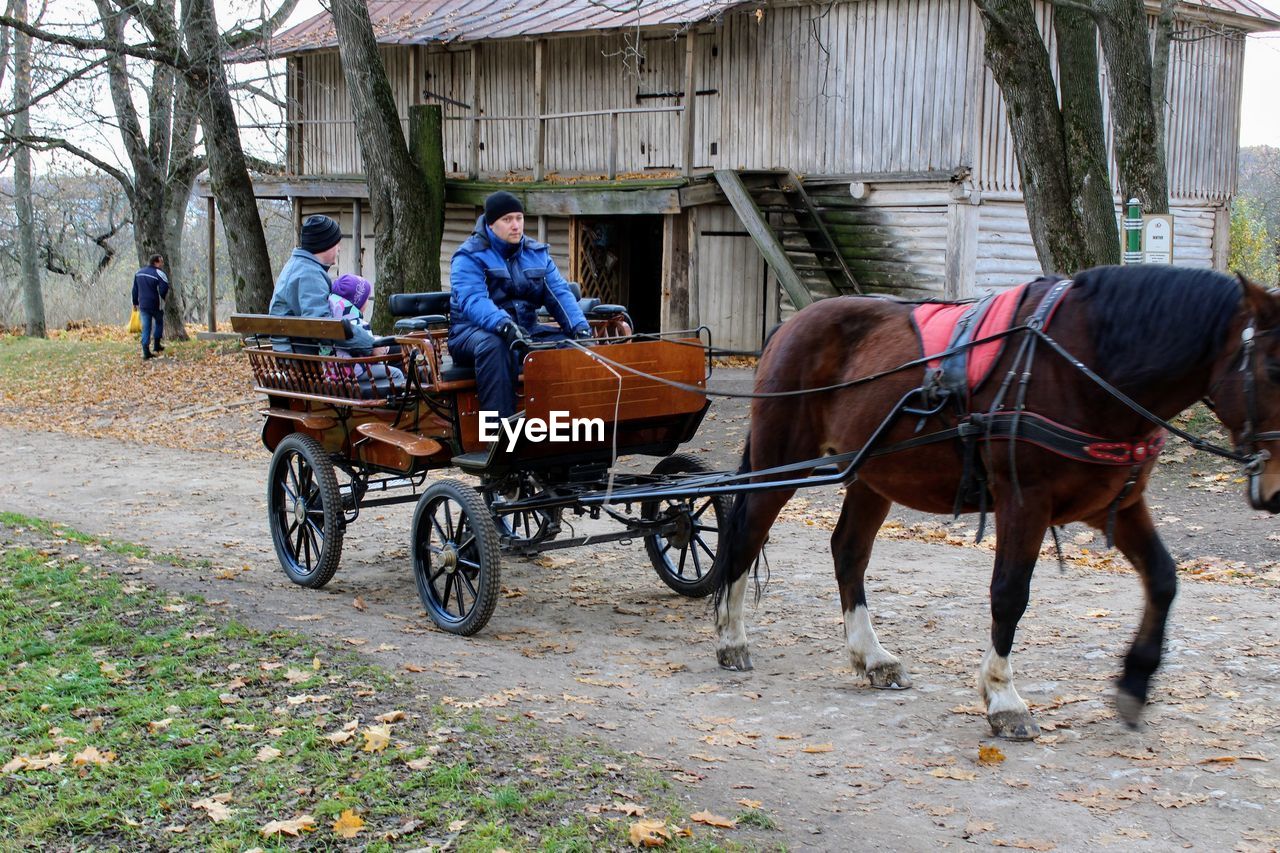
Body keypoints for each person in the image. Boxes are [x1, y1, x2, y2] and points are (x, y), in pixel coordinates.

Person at [448, 191, 593, 418]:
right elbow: (473, 300)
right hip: (472, 332)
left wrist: (580, 328)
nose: (515, 225)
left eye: (519, 218)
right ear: (491, 223)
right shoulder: (469, 256)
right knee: (496, 346)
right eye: (507, 220)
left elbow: (559, 294)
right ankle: (498, 435)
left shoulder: (537, 254)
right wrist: (504, 325)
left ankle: (570, 426)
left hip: (525, 330)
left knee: (576, 348)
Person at [268, 214, 377, 355]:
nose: (339, 249)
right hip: (305, 360)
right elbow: (323, 326)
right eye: (337, 243)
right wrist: (370, 345)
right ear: (326, 244)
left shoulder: (298, 267)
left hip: (294, 353)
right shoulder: (309, 275)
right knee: (394, 362)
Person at [328, 273, 405, 395]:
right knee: (396, 372)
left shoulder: (335, 318)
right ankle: (399, 404)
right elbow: (372, 351)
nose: (368, 301)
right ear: (356, 302)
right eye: (366, 298)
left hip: (334, 371)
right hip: (354, 372)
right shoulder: (356, 322)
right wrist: (383, 346)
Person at [132, 253, 169, 360]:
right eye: (161, 261)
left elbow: (135, 289)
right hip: (156, 304)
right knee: (159, 322)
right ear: (156, 262)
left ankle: (146, 351)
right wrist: (164, 298)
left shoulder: (139, 273)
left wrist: (135, 303)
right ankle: (157, 345)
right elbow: (164, 288)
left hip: (143, 304)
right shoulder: (159, 273)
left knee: (146, 327)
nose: (162, 263)